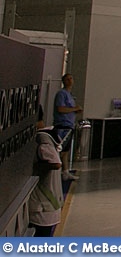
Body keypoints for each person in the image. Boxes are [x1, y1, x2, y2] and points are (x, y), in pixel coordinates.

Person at [29, 106, 64, 237]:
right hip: (50, 205)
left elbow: (55, 163)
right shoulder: (50, 137)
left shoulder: (42, 140)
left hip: (43, 206)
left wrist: (32, 169)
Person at [53, 73, 82, 181]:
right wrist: (74, 109)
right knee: (62, 150)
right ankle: (56, 171)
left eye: (71, 78)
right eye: (67, 79)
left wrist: (76, 110)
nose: (70, 81)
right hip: (62, 125)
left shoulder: (70, 95)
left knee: (66, 150)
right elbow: (61, 109)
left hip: (69, 125)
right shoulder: (61, 94)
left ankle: (65, 171)